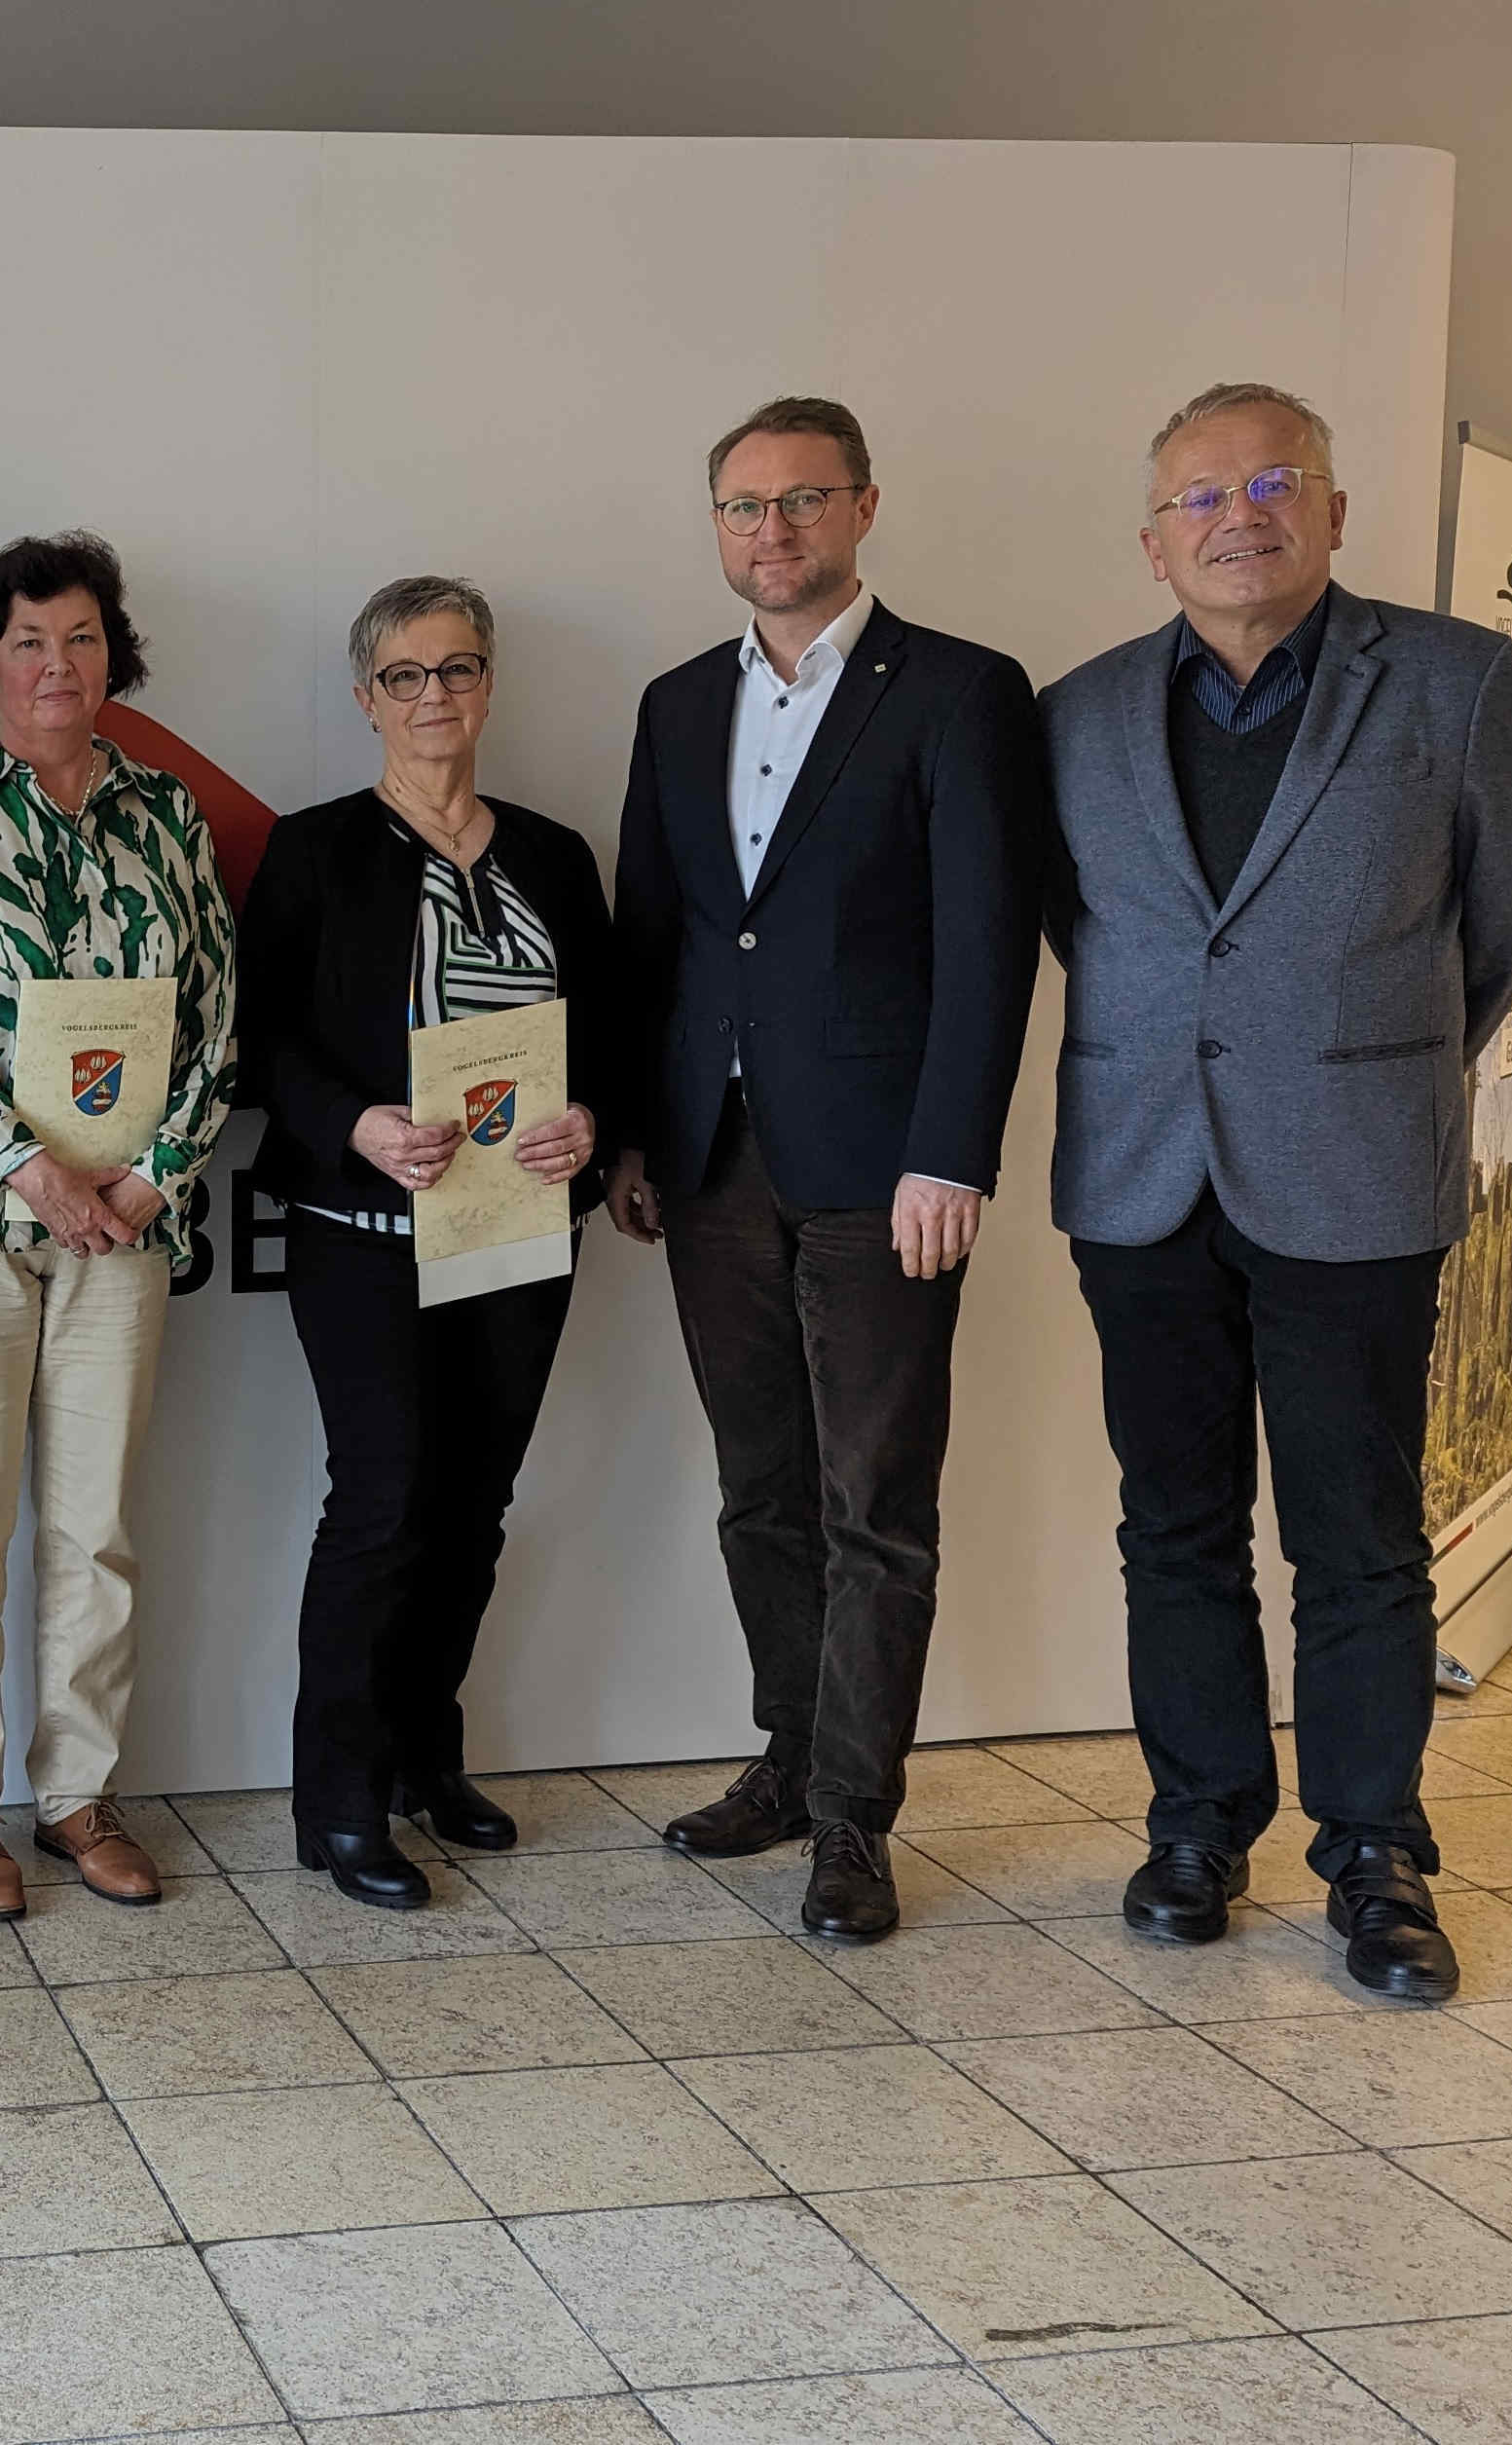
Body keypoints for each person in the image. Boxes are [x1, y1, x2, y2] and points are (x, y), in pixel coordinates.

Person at [1041, 382, 1512, 2001]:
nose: (1239, 515)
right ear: (1152, 541)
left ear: (1335, 513)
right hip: (1141, 1179)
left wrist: (1355, 1062)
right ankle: (1197, 1822)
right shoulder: (1079, 709)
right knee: (1173, 1525)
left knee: (1357, 1535)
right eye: (1200, 495)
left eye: (1276, 482)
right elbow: (1088, 927)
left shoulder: (1457, 680)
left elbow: (1510, 912)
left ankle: (1377, 1851)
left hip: (1351, 1177)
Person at [608, 398, 1047, 1945]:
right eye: (741, 507)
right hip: (711, 1167)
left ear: (863, 508)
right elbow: (654, 938)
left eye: (801, 502)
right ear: (714, 525)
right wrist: (641, 1138)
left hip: (884, 1175)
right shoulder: (673, 706)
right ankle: (788, 1763)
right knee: (759, 1494)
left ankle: (856, 1821)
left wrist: (952, 1154)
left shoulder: (961, 693)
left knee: (878, 1506)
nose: (771, 532)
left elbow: (990, 946)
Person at [240, 577, 620, 1908]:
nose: (436, 695)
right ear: (367, 700)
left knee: (472, 1509)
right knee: (384, 1500)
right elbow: (258, 1042)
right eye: (406, 676)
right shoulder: (315, 850)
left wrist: (591, 1120)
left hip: (518, 1228)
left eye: (459, 668)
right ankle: (337, 1803)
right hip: (362, 1232)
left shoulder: (559, 858)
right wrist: (353, 1125)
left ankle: (423, 1759)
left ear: (490, 685)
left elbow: (614, 1035)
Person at [0, 532, 237, 1919]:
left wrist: (149, 1178)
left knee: (97, 1531)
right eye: (29, 639)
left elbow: (214, 1020)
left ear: (113, 656)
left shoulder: (170, 816)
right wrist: (35, 1171)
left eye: (81, 637)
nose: (56, 664)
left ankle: (78, 1793)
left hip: (128, 1228)